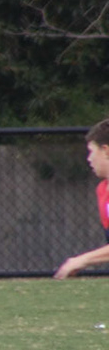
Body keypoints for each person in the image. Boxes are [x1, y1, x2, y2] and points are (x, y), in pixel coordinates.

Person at [55, 119, 109, 278]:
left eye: (91, 151)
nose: (89, 158)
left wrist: (83, 260)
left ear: (106, 150)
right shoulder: (103, 190)